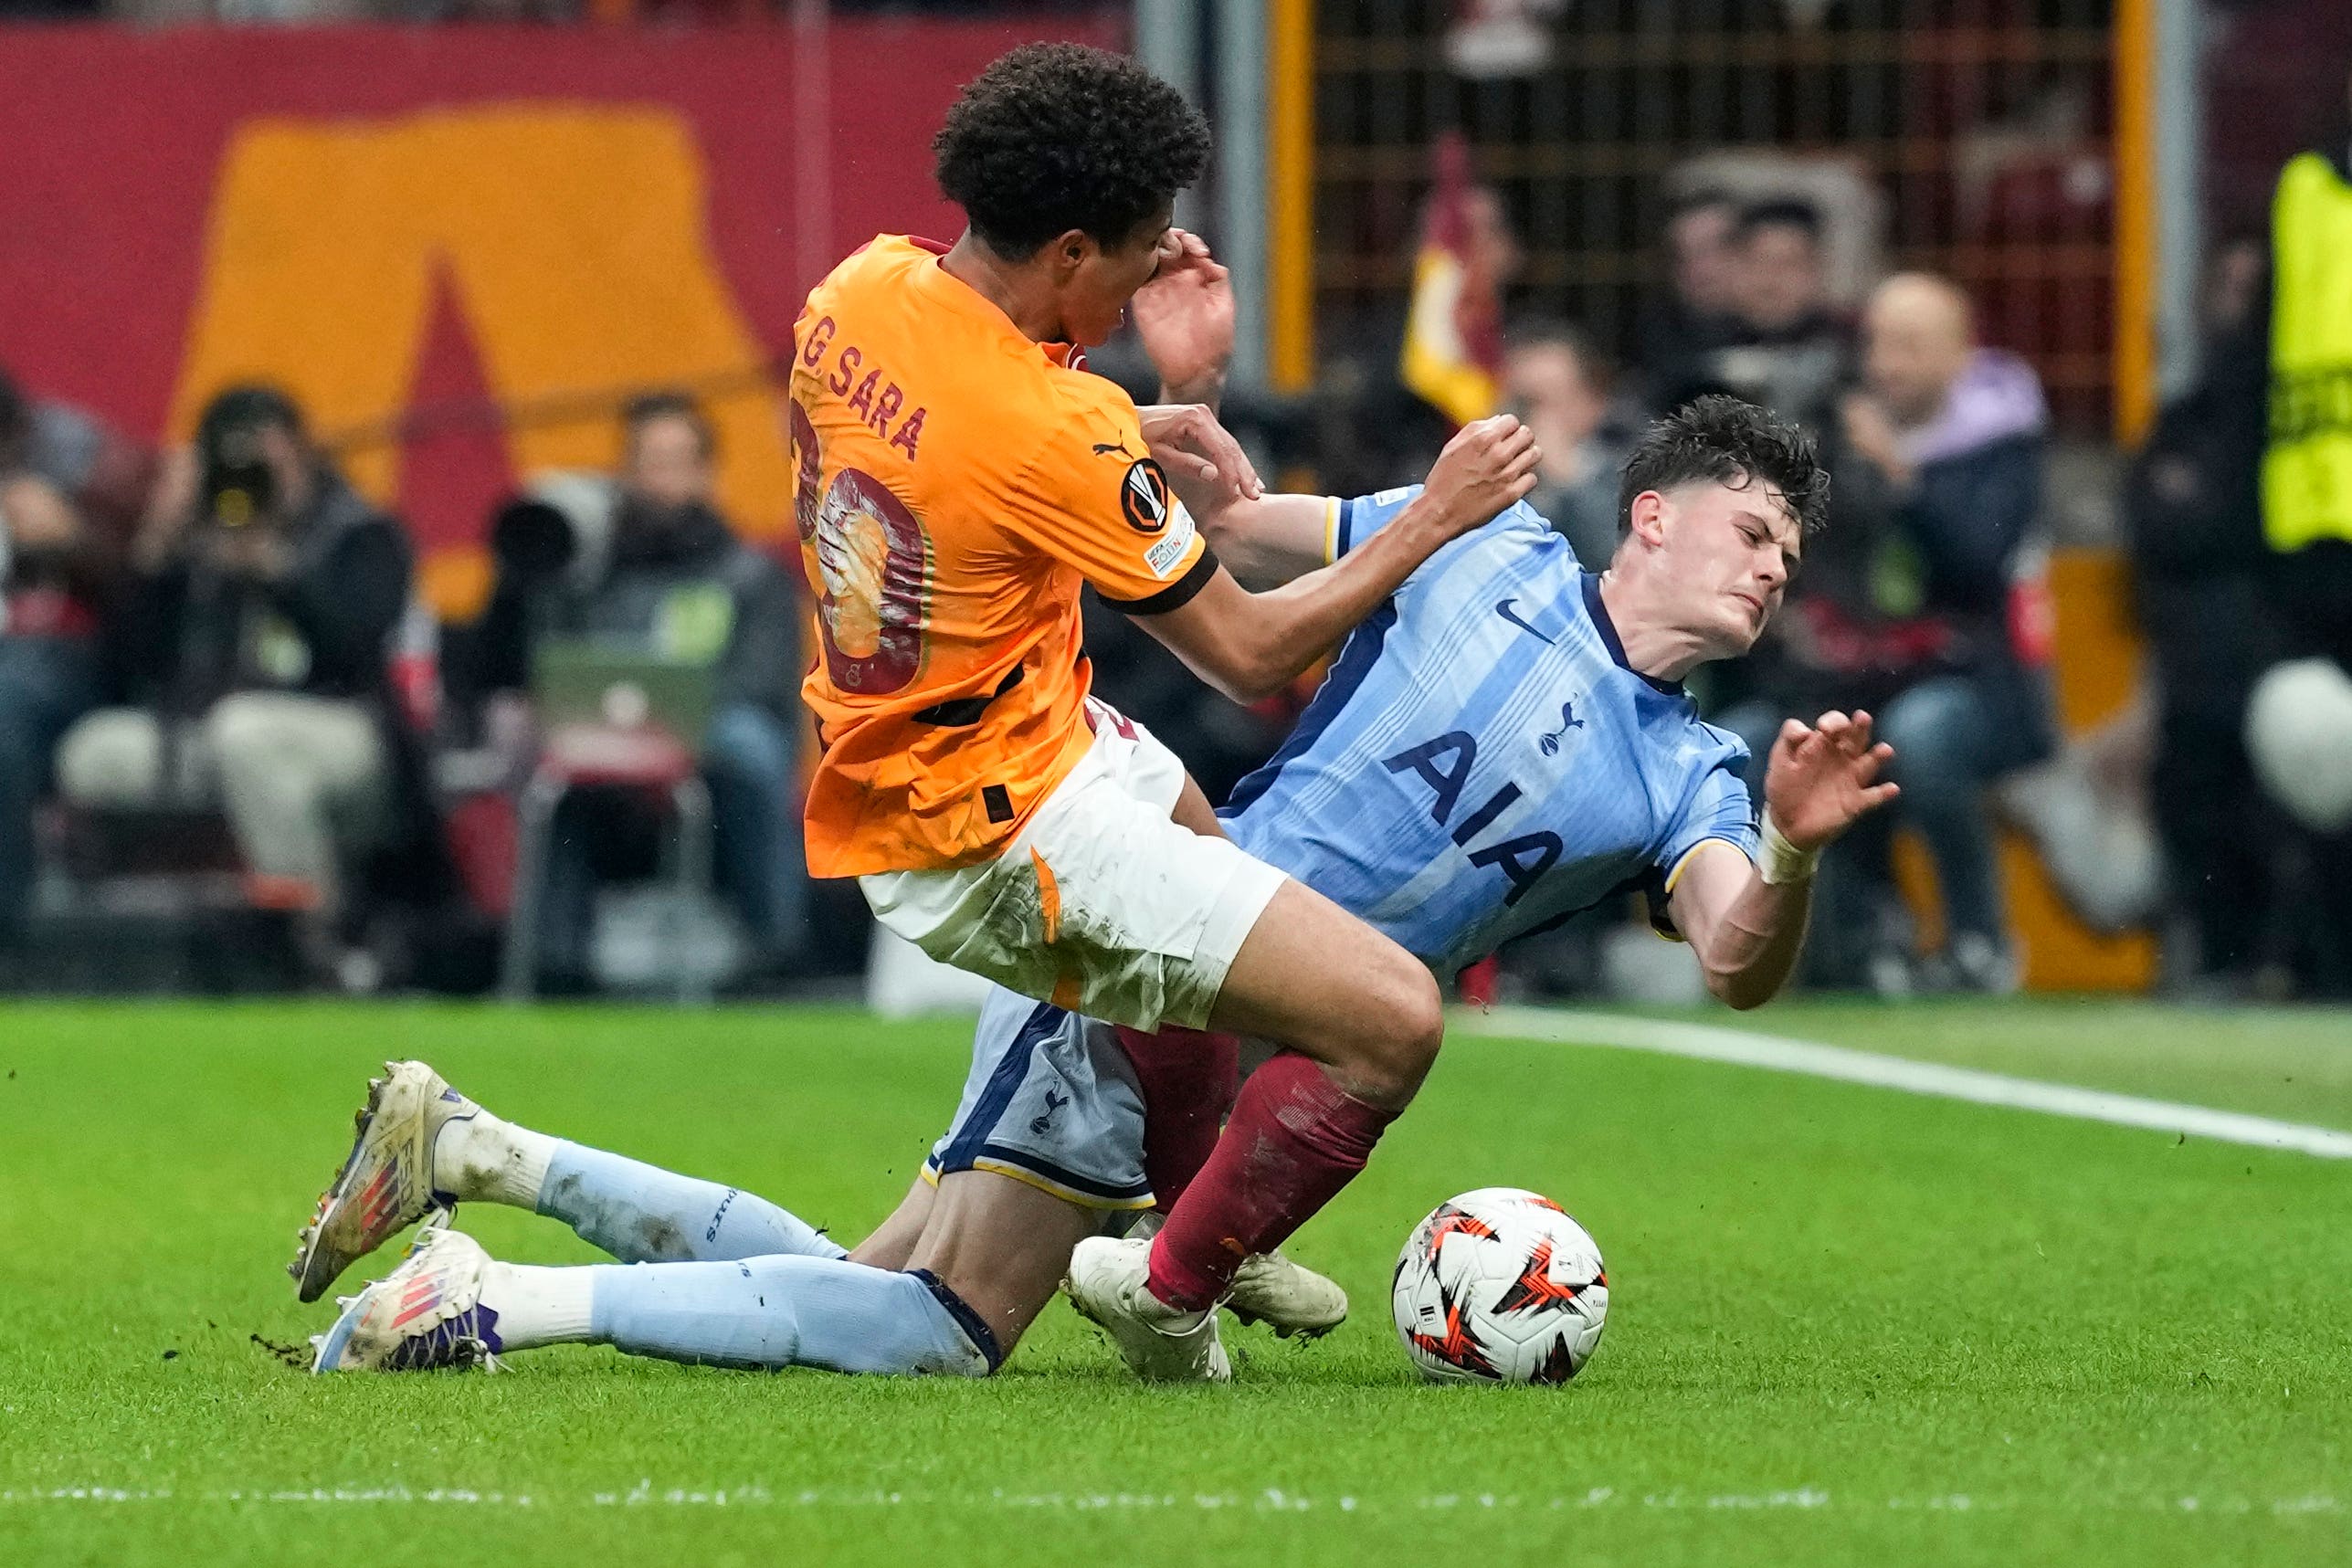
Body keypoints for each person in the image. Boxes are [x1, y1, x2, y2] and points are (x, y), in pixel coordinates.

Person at [299, 398, 1898, 1382]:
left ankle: (482, 1150)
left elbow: (1735, 953)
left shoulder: (1692, 765)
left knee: (872, 1281)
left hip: (1214, 998)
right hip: (1164, 937)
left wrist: (1800, 842)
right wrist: (1206, 430)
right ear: (1654, 516)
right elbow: (1233, 537)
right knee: (942, 1325)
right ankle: (497, 1296)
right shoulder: (1489, 547)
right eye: (1751, 530)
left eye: (1787, 555)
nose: (1769, 568)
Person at [782, 39, 1541, 1384]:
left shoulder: (860, 290)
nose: (1152, 273)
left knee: (1204, 838)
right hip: (1001, 819)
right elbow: (1247, 653)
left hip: (923, 761)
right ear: (1072, 252)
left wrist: (1148, 408)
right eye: (1140, 250)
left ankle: (1193, 1239)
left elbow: (963, 428)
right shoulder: (1054, 426)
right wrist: (1432, 517)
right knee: (1390, 1017)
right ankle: (1173, 1285)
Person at [51, 384, 419, 979]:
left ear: (301, 452)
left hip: (346, 738)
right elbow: (123, 664)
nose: (250, 478)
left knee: (244, 732)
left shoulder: (357, 531)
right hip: (212, 738)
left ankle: (312, 939)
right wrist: (156, 547)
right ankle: (113, 954)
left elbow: (356, 647)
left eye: (264, 459)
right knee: (93, 751)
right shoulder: (201, 542)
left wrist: (278, 571)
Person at [472, 392, 809, 989]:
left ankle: (775, 947)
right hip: (601, 745)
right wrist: (526, 570)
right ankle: (552, 959)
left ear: (706, 472)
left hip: (712, 747)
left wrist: (670, 715)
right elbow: (522, 667)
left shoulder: (750, 576)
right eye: (646, 462)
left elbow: (762, 685)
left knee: (750, 743)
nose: (659, 480)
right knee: (541, 753)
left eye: (674, 462)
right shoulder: (588, 568)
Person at [1829, 272, 2056, 990]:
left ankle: (1977, 940)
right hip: (1856, 670)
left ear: (1960, 354)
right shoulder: (1835, 436)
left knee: (1919, 736)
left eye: (1908, 345)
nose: (1885, 364)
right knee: (1776, 735)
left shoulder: (2003, 440)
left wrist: (1898, 476)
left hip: (1980, 682)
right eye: (1877, 343)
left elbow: (1976, 559)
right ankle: (1860, 937)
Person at [0, 369, 154, 962]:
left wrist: (70, 539)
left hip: (59, 653)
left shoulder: (87, 464)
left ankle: (8, 933)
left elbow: (144, 594)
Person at [1503, 318, 1635, 566]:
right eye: (1524, 402)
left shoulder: (1627, 479)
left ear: (1591, 403)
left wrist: (1568, 478)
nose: (1533, 419)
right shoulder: (1486, 481)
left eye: (1549, 400)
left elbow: (1615, 562)